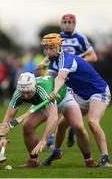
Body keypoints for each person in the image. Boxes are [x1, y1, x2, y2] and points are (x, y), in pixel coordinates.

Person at [40, 33, 112, 167]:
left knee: (92, 121)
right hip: (80, 96)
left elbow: (60, 78)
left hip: (98, 92)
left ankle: (105, 158)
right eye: (46, 48)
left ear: (59, 46)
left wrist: (55, 92)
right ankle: (56, 151)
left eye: (51, 47)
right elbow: (46, 79)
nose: (48, 51)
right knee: (62, 125)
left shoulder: (66, 59)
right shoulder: (53, 61)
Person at [0, 72, 97, 167]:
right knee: (27, 125)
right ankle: (33, 160)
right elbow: (9, 115)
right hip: (43, 104)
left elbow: (53, 117)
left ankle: (88, 159)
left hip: (64, 99)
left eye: (28, 92)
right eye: (23, 92)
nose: (26, 96)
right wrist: (3, 137)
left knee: (78, 126)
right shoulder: (18, 93)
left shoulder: (43, 89)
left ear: (34, 86)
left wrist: (44, 140)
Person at [38, 13, 97, 148]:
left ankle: (70, 129)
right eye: (64, 22)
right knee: (48, 97)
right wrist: (43, 62)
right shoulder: (58, 37)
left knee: (65, 104)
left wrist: (75, 62)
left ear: (74, 24)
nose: (67, 24)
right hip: (54, 70)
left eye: (70, 22)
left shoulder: (80, 38)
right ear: (61, 23)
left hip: (71, 76)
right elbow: (50, 52)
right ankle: (51, 139)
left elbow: (93, 57)